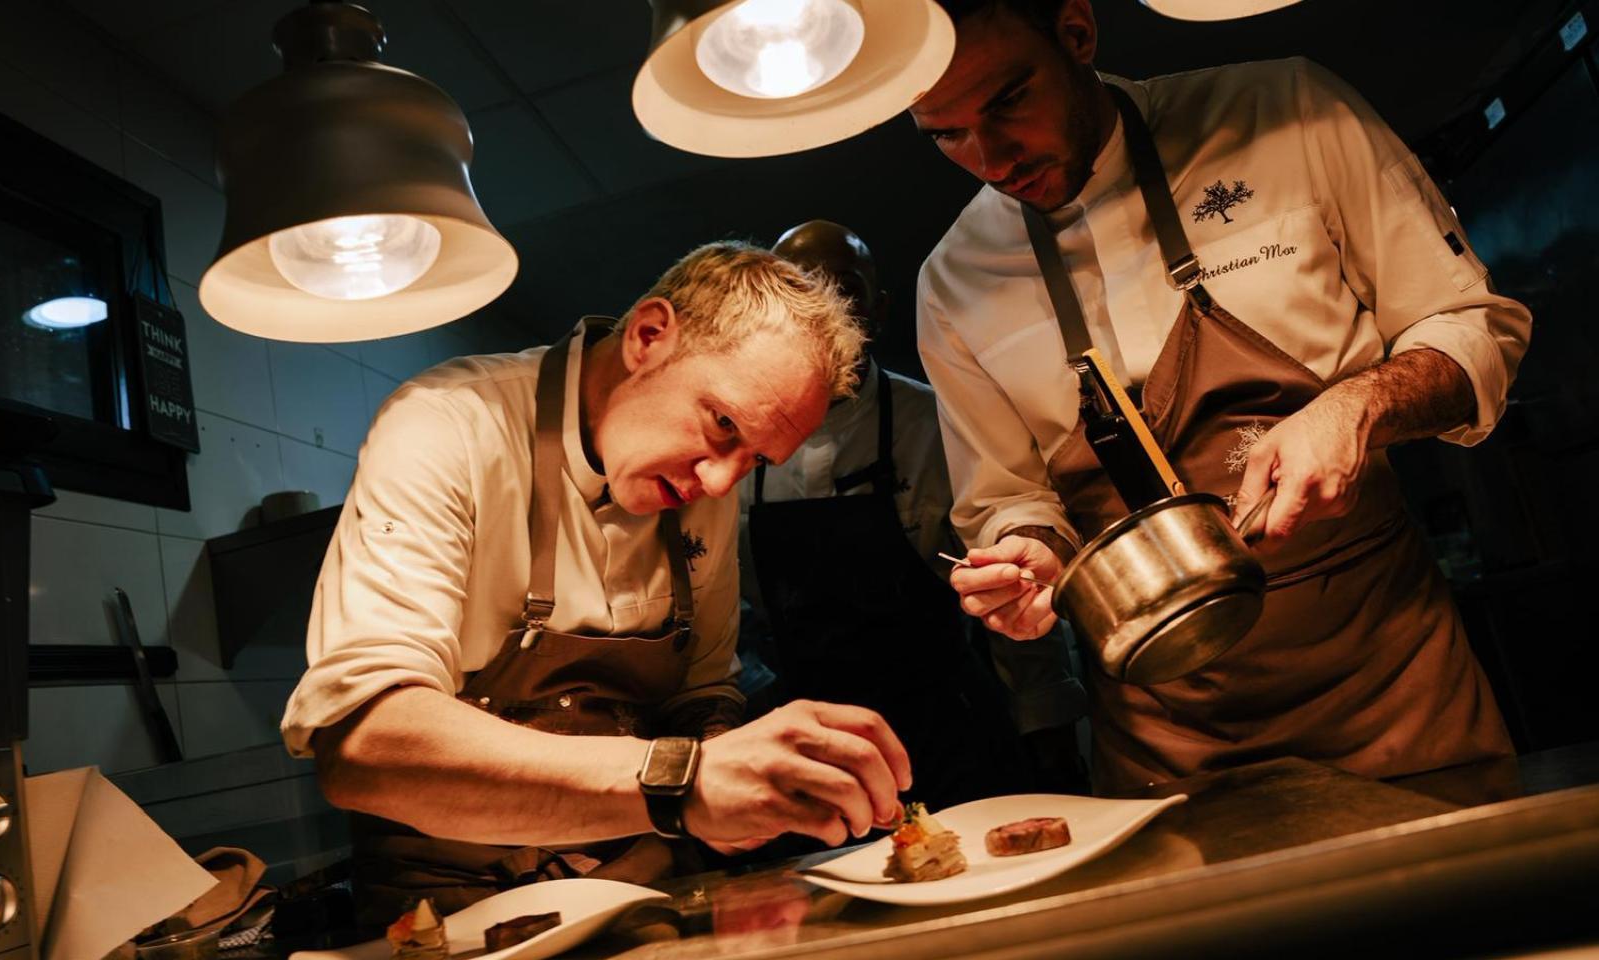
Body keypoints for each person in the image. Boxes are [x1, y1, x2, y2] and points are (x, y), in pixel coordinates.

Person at [911, 0, 1531, 793]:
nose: (991, 159)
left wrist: (1356, 407)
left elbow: (1474, 327)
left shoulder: (1287, 112)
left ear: (1076, 34)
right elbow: (1006, 497)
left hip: (1391, 684)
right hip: (1165, 740)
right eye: (946, 135)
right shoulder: (952, 282)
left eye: (1007, 102)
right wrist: (1030, 551)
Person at [280, 242, 911, 923]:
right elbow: (363, 746)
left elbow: (700, 690)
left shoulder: (704, 485)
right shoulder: (447, 424)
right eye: (723, 423)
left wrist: (737, 771)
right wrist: (683, 779)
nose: (721, 481)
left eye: (755, 457)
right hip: (441, 909)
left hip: (642, 890)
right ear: (648, 336)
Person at [737, 219, 1090, 806]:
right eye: (800, 287)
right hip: (813, 740)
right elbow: (731, 617)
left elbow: (1011, 582)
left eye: (843, 286)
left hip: (948, 724)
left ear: (878, 308)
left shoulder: (938, 422)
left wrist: (1047, 723)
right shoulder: (734, 443)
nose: (823, 306)